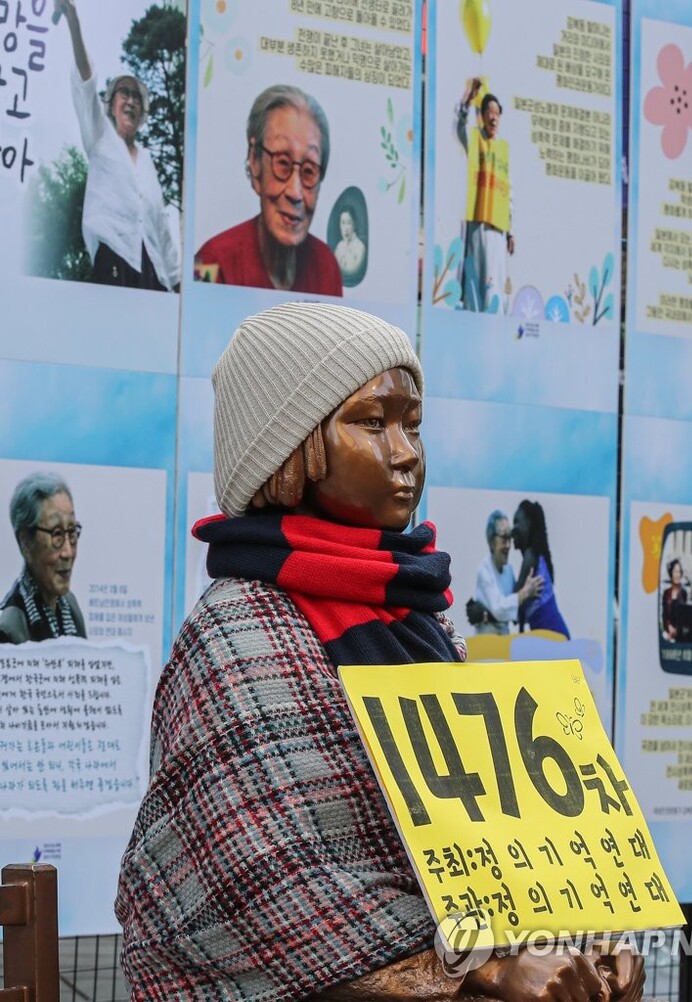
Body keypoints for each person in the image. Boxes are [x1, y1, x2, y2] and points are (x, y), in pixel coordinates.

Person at [114, 302, 644, 1001]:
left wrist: (582, 939)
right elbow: (263, 889)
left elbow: (494, 846)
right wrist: (479, 973)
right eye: (371, 422)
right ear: (291, 446)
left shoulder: (420, 617)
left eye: (412, 424)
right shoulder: (235, 634)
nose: (405, 452)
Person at [55, 0, 180, 291]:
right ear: (111, 105)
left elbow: (160, 223)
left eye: (137, 97)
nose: (132, 101)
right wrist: (73, 19)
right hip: (113, 253)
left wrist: (176, 281)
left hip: (151, 268)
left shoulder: (147, 160)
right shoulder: (100, 135)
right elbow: (87, 81)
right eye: (125, 93)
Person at [195, 84, 343, 294]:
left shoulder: (327, 268)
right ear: (255, 162)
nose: (295, 192)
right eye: (282, 163)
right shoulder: (210, 262)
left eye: (309, 171)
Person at [0, 472, 86, 644]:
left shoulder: (70, 606)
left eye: (71, 532)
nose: (68, 552)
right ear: (25, 542)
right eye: (57, 535)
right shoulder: (9, 626)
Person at [456, 78, 513, 313]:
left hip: (499, 228)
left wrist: (511, 231)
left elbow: (509, 192)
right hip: (478, 222)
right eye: (489, 112)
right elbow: (459, 126)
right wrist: (468, 100)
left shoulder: (503, 150)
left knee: (496, 283)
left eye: (497, 114)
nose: (494, 117)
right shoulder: (475, 140)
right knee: (476, 277)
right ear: (482, 116)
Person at [467, 509, 540, 634]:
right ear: (491, 541)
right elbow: (499, 609)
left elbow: (514, 610)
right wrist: (524, 593)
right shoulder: (484, 571)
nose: (508, 545)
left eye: (509, 538)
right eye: (503, 538)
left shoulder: (509, 571)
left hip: (504, 635)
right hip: (487, 637)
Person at [512, 500, 570, 638]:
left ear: (529, 523)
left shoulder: (531, 556)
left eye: (517, 522)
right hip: (553, 636)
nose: (513, 529)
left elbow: (514, 603)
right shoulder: (537, 556)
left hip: (553, 637)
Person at [333, 206, 366, 279]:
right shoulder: (339, 247)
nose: (345, 228)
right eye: (343, 223)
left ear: (354, 224)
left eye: (348, 223)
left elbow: (352, 272)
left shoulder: (360, 247)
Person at [661, 558, 688, 642]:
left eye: (679, 572)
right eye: (675, 572)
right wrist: (669, 627)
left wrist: (676, 630)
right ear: (671, 574)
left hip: (681, 635)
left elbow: (686, 617)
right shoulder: (666, 593)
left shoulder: (684, 593)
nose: (677, 575)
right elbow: (664, 615)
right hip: (668, 634)